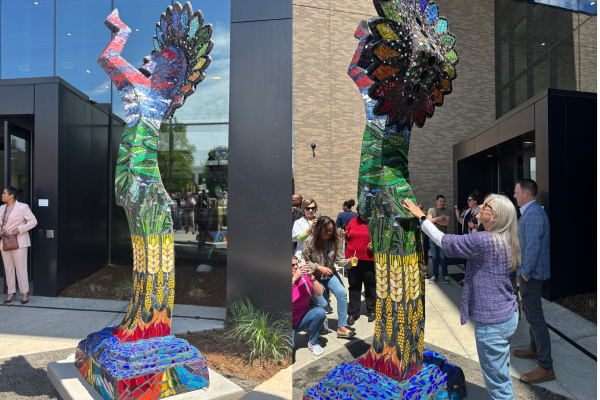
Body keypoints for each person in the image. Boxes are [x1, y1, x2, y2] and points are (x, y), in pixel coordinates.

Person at [403, 194, 520, 400]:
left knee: (497, 384)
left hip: (492, 323)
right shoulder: (507, 239)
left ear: (495, 217)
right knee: (501, 373)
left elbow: (444, 240)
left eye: (485, 206)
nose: (480, 207)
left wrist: (422, 217)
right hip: (507, 315)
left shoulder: (485, 240)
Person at [513, 179, 554, 383]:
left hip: (532, 275)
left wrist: (526, 273)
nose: (514, 195)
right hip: (530, 273)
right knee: (531, 314)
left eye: (516, 192)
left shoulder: (534, 213)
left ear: (526, 194)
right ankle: (534, 348)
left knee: (536, 318)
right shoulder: (530, 212)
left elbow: (532, 247)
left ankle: (546, 366)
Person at [302, 216, 355, 339]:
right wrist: (319, 268)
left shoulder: (335, 240)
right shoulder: (309, 241)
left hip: (331, 275)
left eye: (332, 230)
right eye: (326, 231)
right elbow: (305, 262)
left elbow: (340, 260)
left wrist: (348, 262)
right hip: (315, 277)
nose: (330, 233)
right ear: (319, 229)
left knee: (342, 293)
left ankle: (341, 328)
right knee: (324, 303)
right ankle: (312, 326)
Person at [1, 186, 38, 305]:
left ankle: (24, 292)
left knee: (21, 268)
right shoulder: (2, 208)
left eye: (4, 193)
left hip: (19, 242)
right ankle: (11, 292)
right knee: (8, 268)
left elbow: (33, 221)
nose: (2, 195)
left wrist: (19, 229)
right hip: (5, 242)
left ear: (11, 196)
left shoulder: (22, 207)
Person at [343, 211, 375, 325]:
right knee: (354, 285)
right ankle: (353, 312)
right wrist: (345, 235)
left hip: (368, 258)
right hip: (353, 258)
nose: (363, 213)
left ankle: (372, 310)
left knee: (370, 285)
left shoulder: (374, 222)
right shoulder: (353, 221)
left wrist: (375, 244)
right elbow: (348, 239)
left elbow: (383, 239)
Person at [292, 256, 326, 356]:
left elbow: (320, 293)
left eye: (296, 264)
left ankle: (313, 342)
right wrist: (294, 279)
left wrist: (311, 277)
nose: (295, 267)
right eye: (292, 265)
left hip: (301, 321)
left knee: (320, 312)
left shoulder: (304, 277)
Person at [454, 192, 481, 285]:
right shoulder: (468, 211)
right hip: (466, 237)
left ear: (475, 201)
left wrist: (473, 225)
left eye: (469, 200)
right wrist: (458, 217)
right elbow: (465, 224)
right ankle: (467, 278)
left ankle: (472, 278)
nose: (467, 202)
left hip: (474, 239)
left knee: (473, 259)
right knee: (466, 259)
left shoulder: (479, 211)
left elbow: (482, 226)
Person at [427, 195, 451, 284]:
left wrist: (434, 220)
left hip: (443, 238)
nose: (442, 203)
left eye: (443, 201)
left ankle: (445, 275)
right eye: (441, 201)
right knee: (434, 257)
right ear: (436, 201)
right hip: (432, 237)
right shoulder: (431, 210)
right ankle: (435, 275)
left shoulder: (447, 211)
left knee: (443, 257)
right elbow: (429, 221)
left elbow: (446, 223)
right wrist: (438, 218)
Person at [417, 203, 430, 279]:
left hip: (424, 236)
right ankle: (419, 269)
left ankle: (425, 270)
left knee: (425, 253)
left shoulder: (425, 215)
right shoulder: (413, 215)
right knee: (417, 252)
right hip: (416, 236)